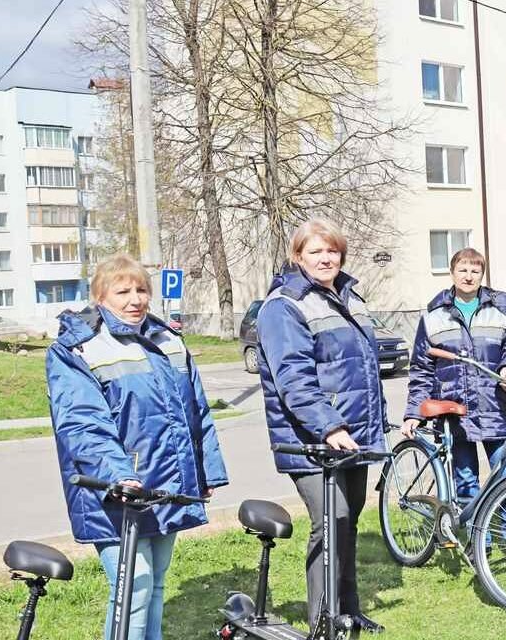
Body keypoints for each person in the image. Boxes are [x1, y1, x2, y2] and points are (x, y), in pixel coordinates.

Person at [47, 254, 229, 640]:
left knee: (156, 581)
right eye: (123, 291)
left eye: (141, 289)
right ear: (100, 297)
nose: (135, 299)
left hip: (168, 483)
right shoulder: (78, 349)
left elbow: (197, 411)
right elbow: (82, 424)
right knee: (134, 585)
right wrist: (119, 475)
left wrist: (205, 471)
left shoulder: (169, 340)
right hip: (115, 490)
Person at [256, 219, 387, 634]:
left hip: (355, 435)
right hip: (312, 439)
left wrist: (377, 420)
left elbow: (362, 369)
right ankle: (323, 620)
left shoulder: (348, 295)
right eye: (315, 252)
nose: (325, 258)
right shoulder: (285, 305)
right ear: (298, 257)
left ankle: (349, 609)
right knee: (332, 520)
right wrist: (328, 427)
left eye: (331, 251)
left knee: (349, 522)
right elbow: (292, 378)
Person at [403, 248, 506, 501]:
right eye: (463, 270)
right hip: (454, 414)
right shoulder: (433, 316)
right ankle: (477, 539)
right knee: (465, 482)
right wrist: (414, 413)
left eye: (475, 271)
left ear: (482, 274)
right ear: (452, 273)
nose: (469, 276)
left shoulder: (502, 310)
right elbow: (421, 368)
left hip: (496, 408)